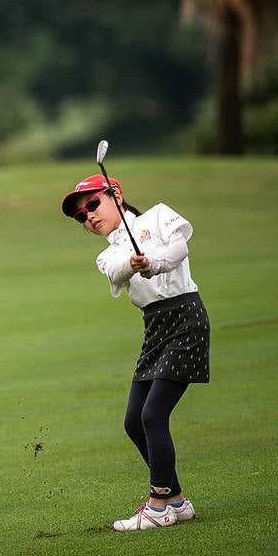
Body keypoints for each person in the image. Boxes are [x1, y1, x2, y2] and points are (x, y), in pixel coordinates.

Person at [61, 173, 210, 532]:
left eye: (93, 204)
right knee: (134, 422)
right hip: (155, 327)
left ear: (116, 194)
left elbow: (179, 250)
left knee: (153, 416)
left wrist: (153, 262)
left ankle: (158, 505)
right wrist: (134, 263)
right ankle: (176, 500)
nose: (90, 216)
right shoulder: (108, 254)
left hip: (185, 318)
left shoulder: (158, 215)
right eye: (82, 216)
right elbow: (116, 269)